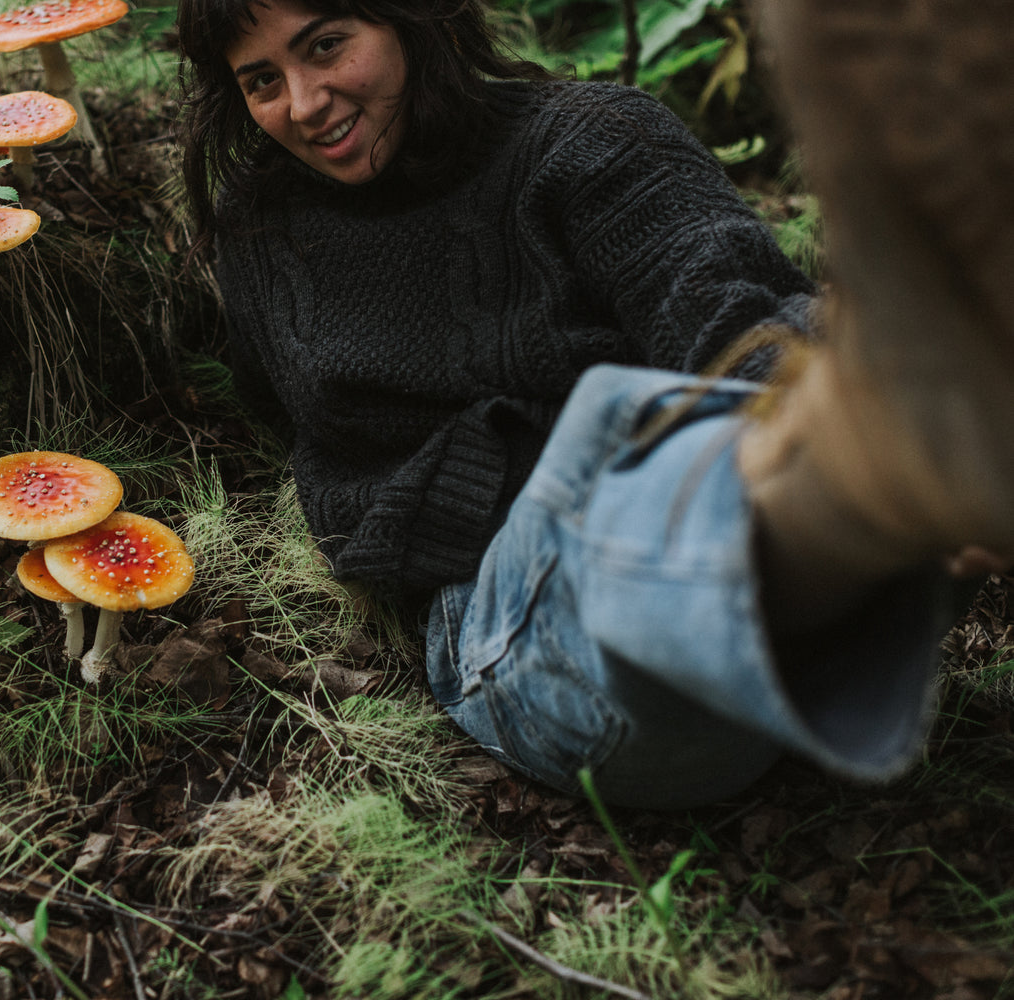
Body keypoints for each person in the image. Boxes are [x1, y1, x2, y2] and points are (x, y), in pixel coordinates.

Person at [174, 0, 1014, 808]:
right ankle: (857, 487)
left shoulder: (587, 139)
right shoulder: (261, 227)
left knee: (674, 424)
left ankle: (871, 456)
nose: (304, 103)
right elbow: (292, 422)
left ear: (412, 16)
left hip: (718, 492)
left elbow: (720, 302)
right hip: (523, 617)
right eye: (261, 81)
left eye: (325, 45)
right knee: (610, 559)